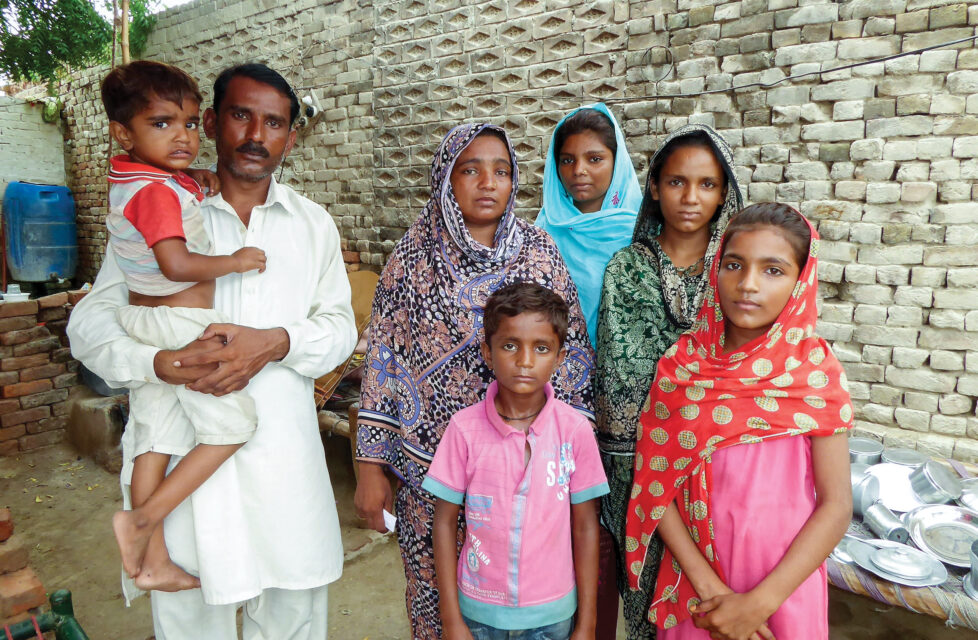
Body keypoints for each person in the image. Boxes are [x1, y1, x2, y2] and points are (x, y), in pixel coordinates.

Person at [68, 63, 356, 640]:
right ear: (210, 122)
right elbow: (89, 326)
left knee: (291, 622)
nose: (257, 135)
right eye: (241, 115)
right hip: (184, 477)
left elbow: (340, 329)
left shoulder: (312, 225)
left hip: (284, 469)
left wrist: (275, 342)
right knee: (191, 625)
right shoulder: (160, 209)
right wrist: (156, 363)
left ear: (290, 137)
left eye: (274, 123)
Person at [354, 123, 595, 640]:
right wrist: (370, 465)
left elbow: (570, 350)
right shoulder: (411, 256)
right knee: (437, 603)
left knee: (522, 595)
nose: (488, 182)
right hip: (429, 469)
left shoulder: (539, 251)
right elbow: (383, 360)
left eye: (502, 171)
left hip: (523, 469)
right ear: (445, 178)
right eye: (471, 170)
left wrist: (571, 451)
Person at [625, 204, 853, 640]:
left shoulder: (815, 374)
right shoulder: (682, 367)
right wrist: (709, 588)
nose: (748, 285)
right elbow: (656, 484)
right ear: (716, 271)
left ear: (801, 282)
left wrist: (758, 605)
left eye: (773, 270)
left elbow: (836, 505)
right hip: (698, 590)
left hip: (783, 589)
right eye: (734, 265)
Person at [98, 60, 268, 592]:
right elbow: (175, 264)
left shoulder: (145, 180)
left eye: (191, 124)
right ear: (123, 132)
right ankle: (143, 521)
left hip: (149, 319)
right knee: (235, 425)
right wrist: (234, 261)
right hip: (175, 323)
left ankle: (151, 561)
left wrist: (189, 182)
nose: (183, 137)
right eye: (162, 124)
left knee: (156, 437)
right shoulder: (154, 192)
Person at [594, 124, 743, 639]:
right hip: (634, 464)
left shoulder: (736, 272)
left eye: (707, 184)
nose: (690, 197)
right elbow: (619, 381)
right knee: (648, 609)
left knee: (714, 600)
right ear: (654, 187)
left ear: (724, 192)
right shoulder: (626, 270)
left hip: (720, 463)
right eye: (677, 182)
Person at [424, 282, 608, 640]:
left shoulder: (575, 431)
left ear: (559, 357)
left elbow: (586, 527)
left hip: (553, 616)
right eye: (510, 346)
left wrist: (587, 622)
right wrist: (451, 618)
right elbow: (444, 524)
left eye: (541, 348)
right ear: (488, 353)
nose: (525, 361)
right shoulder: (463, 430)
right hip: (478, 614)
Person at [535, 103, 642, 348]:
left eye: (594, 159)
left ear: (617, 163)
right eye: (567, 160)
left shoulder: (642, 232)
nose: (578, 170)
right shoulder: (542, 232)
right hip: (557, 374)